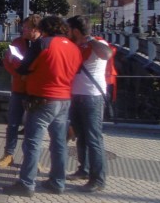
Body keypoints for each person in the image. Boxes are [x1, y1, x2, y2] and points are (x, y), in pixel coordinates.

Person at [2, 16, 82, 197]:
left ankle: (26, 184)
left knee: (32, 142)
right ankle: (57, 182)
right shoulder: (73, 47)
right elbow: (75, 71)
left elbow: (23, 68)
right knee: (59, 143)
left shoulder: (43, 44)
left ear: (44, 29)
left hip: (43, 99)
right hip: (64, 99)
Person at [66, 15, 112, 192]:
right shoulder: (75, 46)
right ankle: (83, 170)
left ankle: (98, 179)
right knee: (81, 136)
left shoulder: (98, 44)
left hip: (91, 97)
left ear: (76, 31)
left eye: (69, 29)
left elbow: (107, 54)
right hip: (76, 96)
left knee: (94, 138)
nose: (67, 32)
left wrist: (90, 39)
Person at [0, 14, 42, 168]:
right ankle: (8, 155)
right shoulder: (17, 42)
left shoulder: (44, 44)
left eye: (27, 27)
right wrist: (18, 75)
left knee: (34, 127)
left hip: (36, 91)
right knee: (13, 123)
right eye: (24, 26)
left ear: (36, 29)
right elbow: (7, 62)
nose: (23, 29)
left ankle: (32, 159)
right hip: (18, 88)